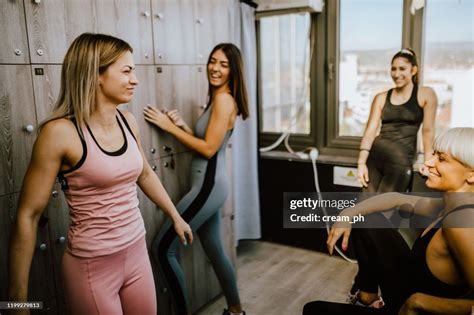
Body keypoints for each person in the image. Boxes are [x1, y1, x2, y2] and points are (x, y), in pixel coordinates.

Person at [8, 33, 192, 315]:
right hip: (92, 267)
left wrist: (174, 215)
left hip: (136, 254)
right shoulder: (59, 133)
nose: (135, 79)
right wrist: (17, 302)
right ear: (96, 75)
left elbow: (144, 173)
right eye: (127, 71)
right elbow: (28, 215)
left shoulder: (127, 121)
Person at [303, 127, 474, 315]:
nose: (429, 162)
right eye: (434, 154)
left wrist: (418, 303)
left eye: (441, 159)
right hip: (407, 288)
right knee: (368, 216)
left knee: (313, 310)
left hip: (412, 308)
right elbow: (396, 199)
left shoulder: (461, 223)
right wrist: (348, 213)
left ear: (471, 174)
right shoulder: (448, 204)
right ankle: (367, 297)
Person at [143, 43, 249, 315]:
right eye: (213, 61)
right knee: (215, 250)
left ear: (233, 70)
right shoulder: (220, 98)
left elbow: (208, 149)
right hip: (210, 183)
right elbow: (207, 142)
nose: (215, 68)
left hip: (208, 186)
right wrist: (184, 127)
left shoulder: (225, 100)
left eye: (224, 64)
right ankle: (236, 312)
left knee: (162, 248)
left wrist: (167, 127)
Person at [358, 48, 437, 192]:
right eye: (393, 69)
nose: (396, 74)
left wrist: (428, 161)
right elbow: (370, 131)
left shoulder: (426, 94)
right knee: (365, 207)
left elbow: (428, 131)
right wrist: (361, 163)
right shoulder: (381, 97)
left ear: (413, 70)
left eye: (402, 69)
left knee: (385, 209)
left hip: (399, 162)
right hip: (375, 158)